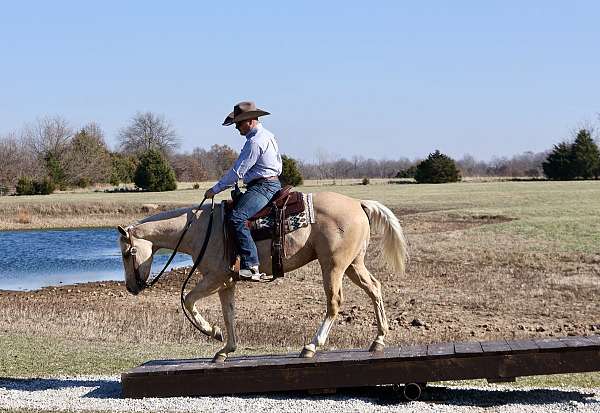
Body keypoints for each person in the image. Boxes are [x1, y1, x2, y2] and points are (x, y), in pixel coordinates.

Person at [204, 101, 282, 281]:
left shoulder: (255, 142)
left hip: (264, 187)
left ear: (250, 120)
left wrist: (215, 190)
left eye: (239, 123)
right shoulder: (266, 135)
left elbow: (237, 172)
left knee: (237, 218)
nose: (237, 128)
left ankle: (251, 265)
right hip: (267, 183)